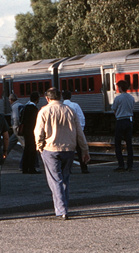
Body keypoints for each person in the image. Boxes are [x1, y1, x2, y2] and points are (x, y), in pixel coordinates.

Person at [34, 88, 90, 220]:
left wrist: (39, 146)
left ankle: (61, 209)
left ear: (47, 98)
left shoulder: (44, 111)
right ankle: (64, 206)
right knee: (65, 178)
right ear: (60, 97)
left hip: (50, 149)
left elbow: (38, 132)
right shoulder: (70, 110)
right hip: (69, 149)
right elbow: (79, 132)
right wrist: (84, 149)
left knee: (55, 180)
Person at [62, 89, 89, 173]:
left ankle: (67, 169)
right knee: (80, 150)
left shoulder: (61, 106)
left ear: (62, 97)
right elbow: (81, 118)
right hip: (76, 131)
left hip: (65, 133)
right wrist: (81, 129)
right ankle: (84, 168)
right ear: (70, 97)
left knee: (67, 151)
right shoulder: (75, 105)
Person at [111, 80, 135, 172]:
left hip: (120, 120)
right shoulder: (131, 98)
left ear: (120, 88)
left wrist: (117, 115)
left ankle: (121, 164)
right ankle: (130, 165)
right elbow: (132, 108)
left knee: (118, 143)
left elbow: (114, 109)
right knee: (129, 144)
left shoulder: (118, 98)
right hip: (129, 120)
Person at [20, 91, 41, 173]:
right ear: (37, 99)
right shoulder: (34, 109)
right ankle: (31, 168)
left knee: (26, 149)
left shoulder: (25, 107)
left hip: (26, 131)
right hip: (32, 131)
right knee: (32, 150)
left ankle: (25, 168)